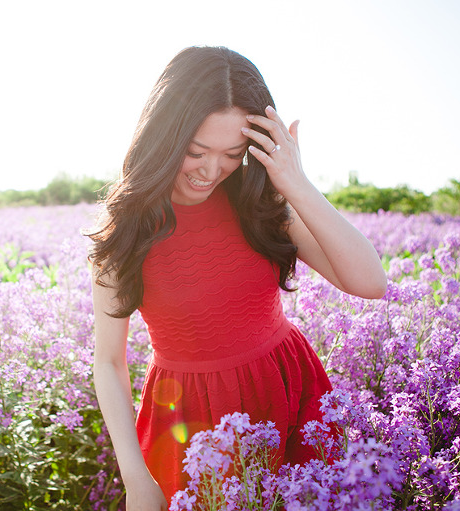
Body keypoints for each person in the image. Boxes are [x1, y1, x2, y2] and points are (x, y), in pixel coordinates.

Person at [87, 46, 387, 510]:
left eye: (233, 153)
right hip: (188, 420)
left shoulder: (260, 204)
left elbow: (370, 282)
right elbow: (108, 362)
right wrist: (134, 475)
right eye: (195, 151)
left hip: (288, 395)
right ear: (165, 136)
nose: (212, 171)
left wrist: (295, 182)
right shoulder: (126, 231)